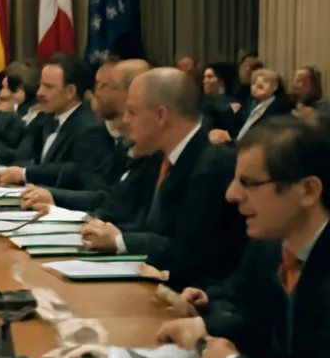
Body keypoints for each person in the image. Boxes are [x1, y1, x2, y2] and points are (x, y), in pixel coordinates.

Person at [155, 118, 330, 358]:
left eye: (249, 183)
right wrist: (205, 330)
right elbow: (252, 317)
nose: (231, 195)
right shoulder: (269, 245)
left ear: (308, 191)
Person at [80, 67, 245, 288]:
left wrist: (119, 240)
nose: (125, 120)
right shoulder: (159, 156)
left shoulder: (212, 165)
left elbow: (188, 252)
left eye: (132, 112)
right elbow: (141, 221)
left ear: (160, 115)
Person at [21, 58, 151, 213]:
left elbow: (118, 205)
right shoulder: (115, 137)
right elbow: (102, 194)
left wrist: (54, 197)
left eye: (106, 86)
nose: (97, 92)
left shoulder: (93, 128)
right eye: (97, 84)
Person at [0, 54, 112, 190]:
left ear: (70, 92)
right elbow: (25, 156)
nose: (39, 92)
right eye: (41, 85)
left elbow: (72, 174)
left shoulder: (90, 127)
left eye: (48, 87)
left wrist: (25, 174)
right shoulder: (46, 118)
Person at [210, 67, 292, 145]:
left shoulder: (281, 108)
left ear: (275, 87)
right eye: (254, 82)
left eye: (265, 81)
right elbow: (234, 128)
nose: (258, 84)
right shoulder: (248, 105)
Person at [200, 63, 241, 135]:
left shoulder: (233, 103)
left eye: (209, 77)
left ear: (221, 81)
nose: (204, 81)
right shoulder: (201, 101)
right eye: (204, 77)